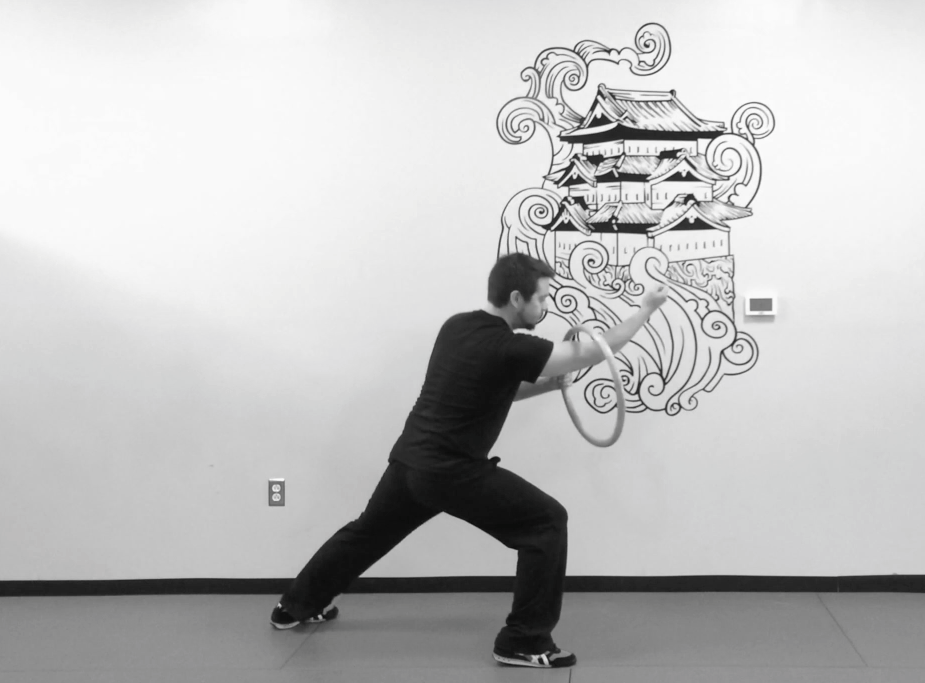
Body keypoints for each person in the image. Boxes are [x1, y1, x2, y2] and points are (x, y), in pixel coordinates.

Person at [268, 252, 670, 669]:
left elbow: (490, 386)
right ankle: (523, 641)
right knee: (546, 522)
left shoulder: (457, 327)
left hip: (410, 461)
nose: (545, 307)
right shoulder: (510, 346)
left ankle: (293, 606)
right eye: (541, 298)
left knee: (366, 533)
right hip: (450, 471)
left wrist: (549, 386)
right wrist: (645, 310)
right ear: (517, 298)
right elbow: (592, 352)